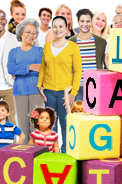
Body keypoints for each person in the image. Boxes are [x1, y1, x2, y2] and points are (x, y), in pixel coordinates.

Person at [37, 16, 82, 153]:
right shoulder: (47, 46)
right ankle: (52, 154)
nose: (57, 29)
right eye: (54, 26)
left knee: (66, 124)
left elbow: (78, 71)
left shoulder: (73, 47)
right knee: (50, 125)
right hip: (49, 92)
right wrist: (40, 84)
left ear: (67, 28)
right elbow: (43, 67)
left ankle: (66, 154)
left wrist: (73, 93)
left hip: (65, 94)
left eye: (61, 26)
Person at [7, 18, 44, 144]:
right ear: (21, 32)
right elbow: (11, 68)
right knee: (22, 127)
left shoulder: (40, 51)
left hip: (36, 91)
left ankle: (37, 155)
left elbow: (41, 69)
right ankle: (25, 156)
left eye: (34, 33)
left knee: (36, 126)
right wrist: (30, 67)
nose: (31, 35)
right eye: (28, 32)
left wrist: (20, 70)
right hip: (19, 92)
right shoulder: (13, 52)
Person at [69, 9, 107, 102]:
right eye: (82, 21)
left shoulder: (101, 42)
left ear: (91, 22)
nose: (85, 24)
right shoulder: (70, 42)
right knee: (77, 115)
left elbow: (106, 66)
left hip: (95, 87)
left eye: (87, 21)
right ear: (78, 22)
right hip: (78, 89)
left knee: (94, 116)